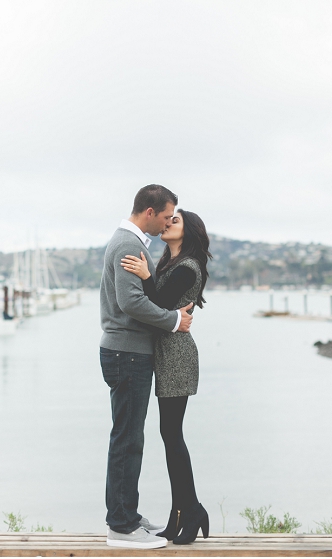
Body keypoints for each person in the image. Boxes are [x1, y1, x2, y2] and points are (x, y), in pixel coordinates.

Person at [100, 184, 195, 550]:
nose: (168, 222)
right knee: (127, 440)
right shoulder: (129, 244)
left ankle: (127, 515)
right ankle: (121, 527)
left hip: (128, 353)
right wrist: (174, 321)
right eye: (167, 215)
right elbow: (130, 302)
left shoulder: (131, 242)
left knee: (129, 438)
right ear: (150, 211)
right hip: (127, 354)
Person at [120, 209, 212, 545]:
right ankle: (180, 516)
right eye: (168, 219)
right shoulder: (170, 265)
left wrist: (145, 275)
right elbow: (160, 307)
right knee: (170, 435)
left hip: (177, 356)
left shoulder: (187, 268)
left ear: (188, 233)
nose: (168, 223)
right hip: (167, 354)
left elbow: (156, 302)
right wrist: (151, 272)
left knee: (172, 436)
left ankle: (193, 511)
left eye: (176, 221)